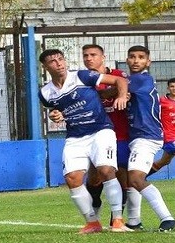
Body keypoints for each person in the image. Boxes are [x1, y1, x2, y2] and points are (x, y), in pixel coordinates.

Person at [38, 49, 130, 234]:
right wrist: (55, 114)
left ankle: (118, 220)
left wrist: (121, 96)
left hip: (100, 131)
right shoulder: (45, 93)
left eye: (61, 59)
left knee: (106, 170)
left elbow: (119, 80)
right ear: (45, 66)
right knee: (72, 178)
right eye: (53, 61)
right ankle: (92, 222)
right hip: (75, 136)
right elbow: (57, 110)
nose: (59, 63)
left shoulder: (82, 76)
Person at [123, 45, 175, 232]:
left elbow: (114, 89)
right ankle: (133, 221)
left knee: (136, 177)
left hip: (147, 136)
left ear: (148, 62)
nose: (136, 60)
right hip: (138, 135)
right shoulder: (133, 80)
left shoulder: (140, 79)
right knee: (131, 178)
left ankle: (168, 219)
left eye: (141, 57)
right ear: (127, 60)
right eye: (132, 57)